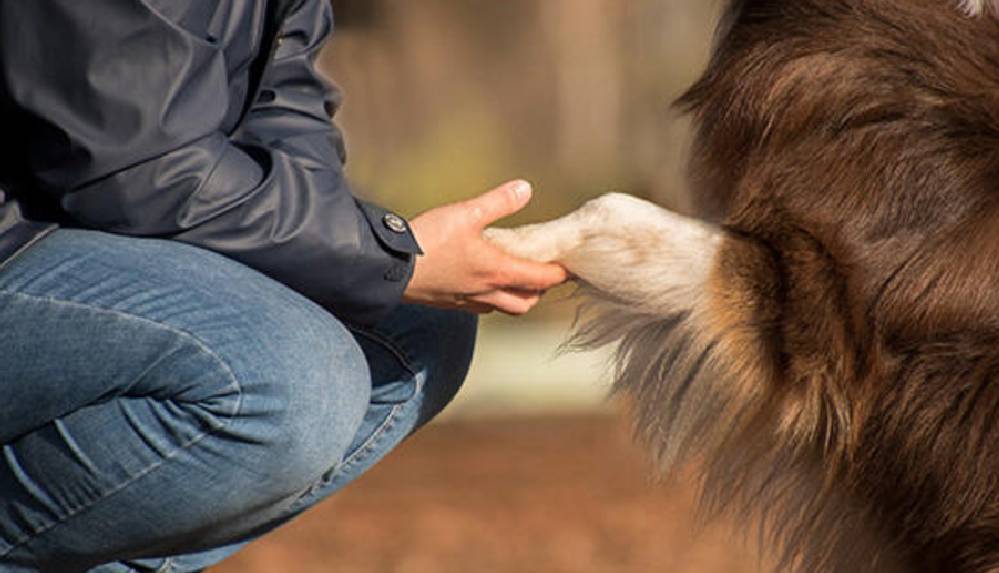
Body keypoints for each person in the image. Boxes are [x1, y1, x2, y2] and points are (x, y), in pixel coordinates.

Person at [0, 0, 568, 570]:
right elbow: (138, 170)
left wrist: (375, 261)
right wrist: (389, 260)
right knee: (289, 379)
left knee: (416, 329)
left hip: (80, 229)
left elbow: (284, 104)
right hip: (24, 240)